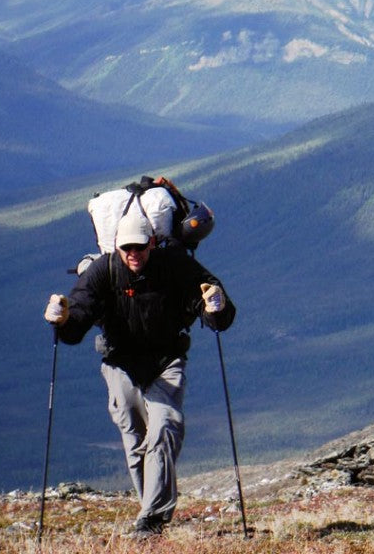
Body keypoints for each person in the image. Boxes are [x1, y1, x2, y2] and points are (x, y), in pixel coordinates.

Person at [44, 212, 236, 537]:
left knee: (164, 427)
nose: (134, 254)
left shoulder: (174, 265)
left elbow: (211, 304)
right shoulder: (102, 271)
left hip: (166, 360)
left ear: (151, 243)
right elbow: (79, 313)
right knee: (134, 437)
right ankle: (150, 510)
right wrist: (63, 320)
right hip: (120, 362)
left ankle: (152, 519)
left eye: (140, 247)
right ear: (117, 247)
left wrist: (217, 306)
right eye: (127, 248)